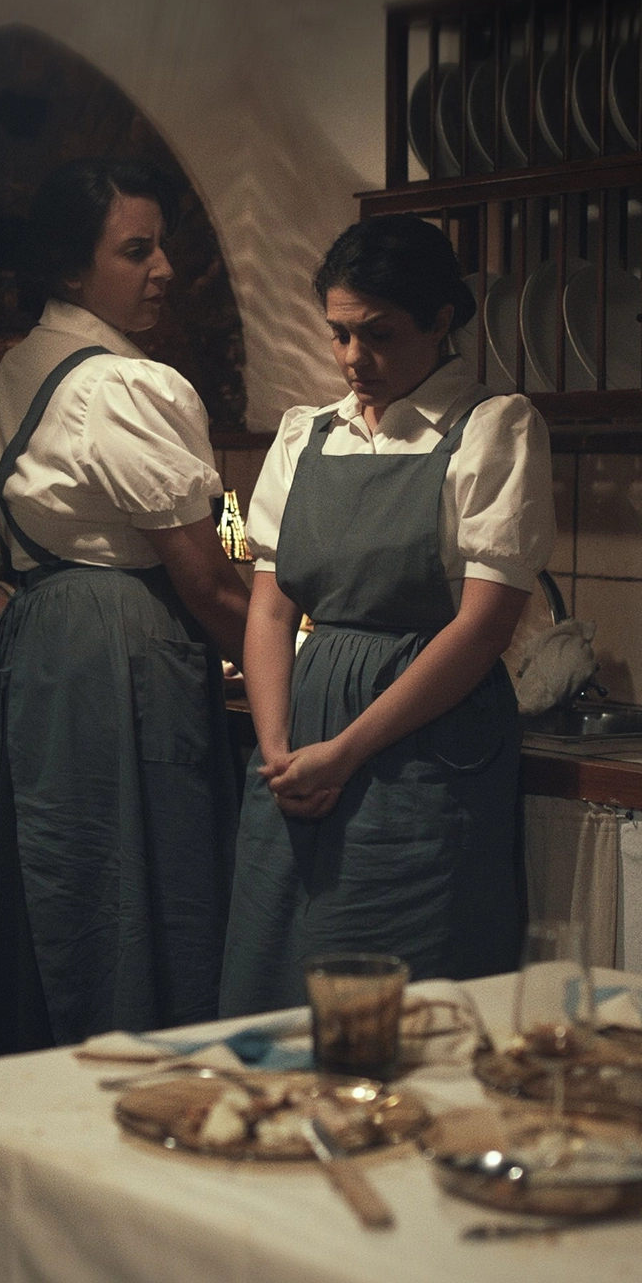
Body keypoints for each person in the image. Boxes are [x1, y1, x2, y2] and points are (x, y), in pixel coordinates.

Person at [219, 215, 556, 1015]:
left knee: (402, 992)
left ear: (440, 320)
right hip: (301, 743)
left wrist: (345, 751)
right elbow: (270, 609)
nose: (352, 358)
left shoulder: (492, 429)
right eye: (339, 334)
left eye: (378, 334)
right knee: (277, 981)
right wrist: (277, 746)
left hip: (419, 743)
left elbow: (481, 628)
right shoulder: (307, 436)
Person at [0, 157, 251, 1056]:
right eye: (137, 251)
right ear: (70, 268)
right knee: (140, 899)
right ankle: (144, 1093)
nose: (163, 269)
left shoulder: (24, 365)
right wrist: (297, 665)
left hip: (52, 645)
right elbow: (209, 582)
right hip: (117, 650)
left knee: (60, 893)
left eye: (161, 247)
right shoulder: (122, 385)